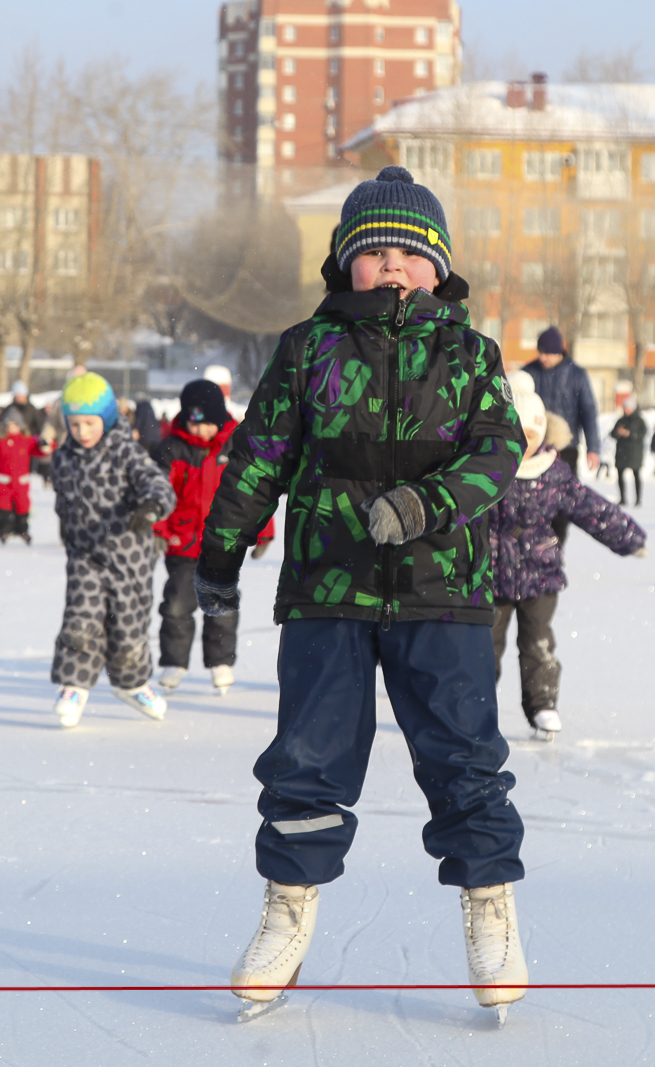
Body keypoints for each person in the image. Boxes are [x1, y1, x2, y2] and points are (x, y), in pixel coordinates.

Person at [194, 166, 530, 1022]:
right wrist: (221, 553)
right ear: (343, 265)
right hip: (326, 590)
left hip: (442, 591)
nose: (390, 267)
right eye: (372, 252)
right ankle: (286, 912)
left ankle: (491, 907)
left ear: (438, 266)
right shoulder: (308, 348)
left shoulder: (470, 354)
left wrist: (427, 503)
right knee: (307, 761)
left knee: (464, 758)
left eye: (408, 255)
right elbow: (258, 457)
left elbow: (498, 454)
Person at [491, 383, 646, 738]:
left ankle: (543, 705)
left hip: (540, 575)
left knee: (537, 642)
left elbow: (591, 508)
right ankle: (476, 702)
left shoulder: (554, 471)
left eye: (532, 433)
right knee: (484, 643)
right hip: (492, 575)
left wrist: (628, 538)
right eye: (519, 433)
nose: (526, 440)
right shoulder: (490, 468)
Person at [48, 373, 176, 728]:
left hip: (129, 557)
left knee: (129, 625)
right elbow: (64, 501)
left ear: (106, 419)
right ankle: (73, 685)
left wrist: (151, 507)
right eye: (74, 424)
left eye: (90, 423)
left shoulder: (125, 452)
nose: (82, 432)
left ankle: (132, 683)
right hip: (85, 556)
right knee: (81, 618)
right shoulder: (64, 458)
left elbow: (157, 482)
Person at [152, 380, 275, 696]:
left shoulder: (236, 444)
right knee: (178, 604)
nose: (200, 430)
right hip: (183, 542)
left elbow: (254, 490)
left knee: (221, 603)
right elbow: (159, 494)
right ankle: (174, 663)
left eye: (206, 422)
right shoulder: (173, 447)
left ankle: (221, 662)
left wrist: (264, 532)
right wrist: (159, 530)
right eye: (193, 421)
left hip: (223, 542)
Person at [523, 325, 601, 542]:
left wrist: (593, 448)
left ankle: (556, 545)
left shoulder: (577, 375)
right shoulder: (529, 372)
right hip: (534, 449)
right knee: (533, 501)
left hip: (566, 450)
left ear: (559, 352)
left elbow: (589, 413)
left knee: (563, 502)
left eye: (548, 353)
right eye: (540, 352)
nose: (543, 358)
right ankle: (534, 546)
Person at [0, 412, 45, 542]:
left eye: (14, 425)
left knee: (23, 506)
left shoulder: (26, 441)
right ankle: (2, 531)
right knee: (3, 507)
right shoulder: (0, 443)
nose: (11, 428)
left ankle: (22, 530)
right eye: (8, 425)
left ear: (20, 426)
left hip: (21, 482)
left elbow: (39, 451)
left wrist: (46, 445)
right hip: (4, 482)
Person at [610, 398, 647, 507]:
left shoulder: (640, 421)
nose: (625, 410)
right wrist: (618, 432)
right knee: (620, 475)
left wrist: (629, 434)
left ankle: (638, 499)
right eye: (624, 408)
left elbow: (642, 434)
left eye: (627, 408)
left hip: (634, 453)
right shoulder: (620, 420)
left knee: (636, 475)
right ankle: (622, 498)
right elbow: (612, 434)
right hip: (621, 452)